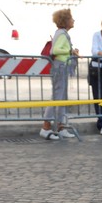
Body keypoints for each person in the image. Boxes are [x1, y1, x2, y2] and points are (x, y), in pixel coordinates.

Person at [40, 8, 79, 141]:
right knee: (57, 98)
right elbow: (55, 49)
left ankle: (60, 127)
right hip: (60, 68)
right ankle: (46, 127)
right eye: (71, 18)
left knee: (61, 98)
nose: (73, 20)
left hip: (61, 68)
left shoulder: (61, 33)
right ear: (66, 21)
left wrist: (71, 51)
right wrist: (69, 50)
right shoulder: (62, 34)